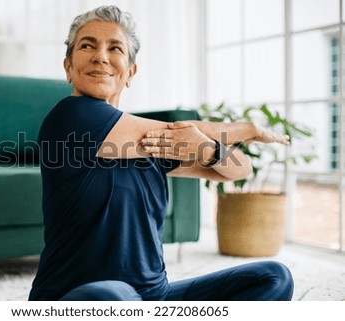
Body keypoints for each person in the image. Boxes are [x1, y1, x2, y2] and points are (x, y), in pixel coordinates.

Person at [28, 5, 294, 301]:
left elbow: (238, 169)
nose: (100, 56)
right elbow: (172, 130)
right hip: (80, 298)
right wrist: (248, 129)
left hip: (154, 297)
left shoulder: (151, 145)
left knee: (273, 277)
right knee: (114, 297)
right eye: (87, 45)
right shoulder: (70, 117)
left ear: (130, 71)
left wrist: (206, 149)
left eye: (114, 48)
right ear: (68, 67)